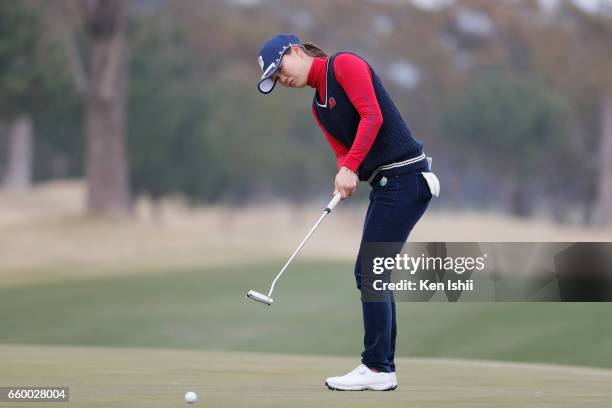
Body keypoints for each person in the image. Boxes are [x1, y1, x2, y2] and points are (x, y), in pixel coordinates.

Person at [256, 34, 439, 391]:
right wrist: (345, 171)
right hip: (387, 186)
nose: (282, 79)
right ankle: (380, 367)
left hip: (406, 178)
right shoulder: (318, 107)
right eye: (276, 78)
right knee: (372, 272)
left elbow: (372, 115)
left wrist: (351, 166)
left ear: (296, 51)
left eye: (280, 70)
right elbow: (342, 151)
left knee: (370, 271)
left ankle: (377, 368)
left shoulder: (345, 65)